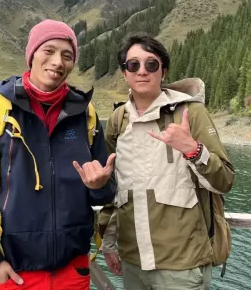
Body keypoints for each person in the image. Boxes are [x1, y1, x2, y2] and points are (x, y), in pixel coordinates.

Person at [0, 19, 116, 290]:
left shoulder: (85, 116)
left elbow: (104, 193)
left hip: (73, 272)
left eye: (67, 55)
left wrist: (100, 187)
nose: (57, 62)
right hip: (13, 274)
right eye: (49, 50)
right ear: (32, 54)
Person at [98, 32, 235, 290]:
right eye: (133, 65)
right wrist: (108, 243)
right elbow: (115, 188)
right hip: (133, 263)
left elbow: (225, 180)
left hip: (182, 266)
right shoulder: (118, 120)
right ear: (124, 73)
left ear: (164, 71)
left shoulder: (191, 113)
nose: (142, 71)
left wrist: (193, 150)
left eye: (151, 64)